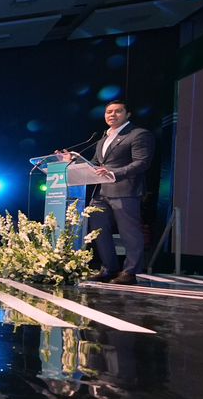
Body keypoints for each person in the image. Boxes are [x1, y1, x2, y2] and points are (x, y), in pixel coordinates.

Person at [65, 100, 156, 284]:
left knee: (129, 232)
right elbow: (95, 164)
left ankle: (130, 271)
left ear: (127, 114)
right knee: (98, 230)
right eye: (108, 112)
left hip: (125, 190)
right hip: (101, 192)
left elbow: (142, 163)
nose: (112, 115)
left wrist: (114, 173)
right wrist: (73, 160)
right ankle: (109, 268)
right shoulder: (103, 138)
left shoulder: (138, 134)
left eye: (117, 111)